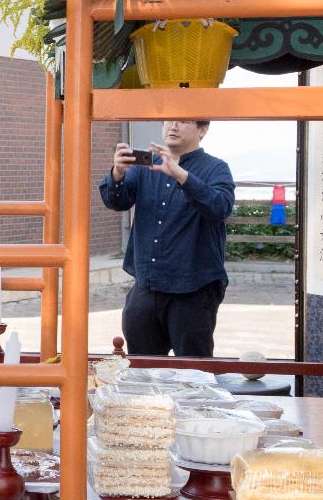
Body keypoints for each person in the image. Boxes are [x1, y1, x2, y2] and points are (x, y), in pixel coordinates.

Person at [100, 120, 235, 357]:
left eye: (183, 121)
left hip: (194, 287)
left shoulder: (216, 168)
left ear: (203, 130)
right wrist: (117, 173)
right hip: (147, 283)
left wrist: (180, 174)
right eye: (168, 121)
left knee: (194, 372)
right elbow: (116, 201)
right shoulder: (145, 166)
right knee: (143, 368)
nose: (172, 126)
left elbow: (219, 207)